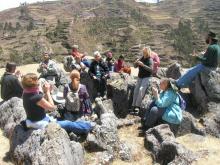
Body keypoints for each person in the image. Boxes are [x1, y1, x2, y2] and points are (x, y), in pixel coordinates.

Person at [21, 73, 94, 135]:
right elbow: (52, 108)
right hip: (40, 123)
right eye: (37, 82)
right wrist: (48, 92)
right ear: (33, 84)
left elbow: (41, 102)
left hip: (32, 119)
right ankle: (89, 127)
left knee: (69, 122)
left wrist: (44, 91)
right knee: (68, 123)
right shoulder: (35, 97)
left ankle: (84, 124)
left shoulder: (25, 93)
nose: (38, 83)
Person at [132, 47, 153, 113]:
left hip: (146, 77)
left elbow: (151, 70)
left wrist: (143, 65)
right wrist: (136, 62)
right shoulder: (141, 58)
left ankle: (137, 106)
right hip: (140, 76)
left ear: (148, 53)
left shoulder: (150, 60)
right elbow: (135, 66)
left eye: (145, 52)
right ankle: (133, 105)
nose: (143, 53)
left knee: (141, 90)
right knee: (136, 90)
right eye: (143, 52)